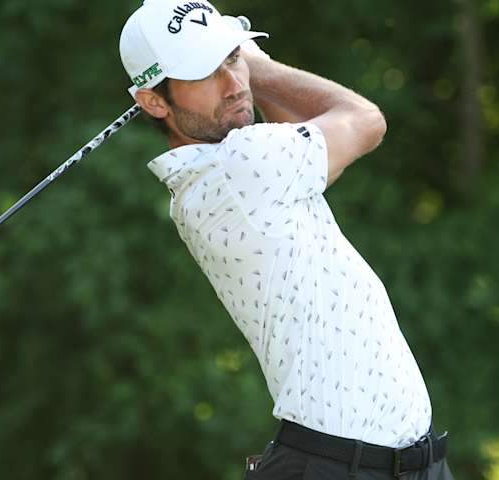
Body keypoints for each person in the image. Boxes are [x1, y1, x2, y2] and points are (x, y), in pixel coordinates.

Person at [119, 1, 454, 478]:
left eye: (232, 61)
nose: (234, 86)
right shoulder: (245, 164)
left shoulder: (225, 173)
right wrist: (261, 65)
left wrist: (237, 61)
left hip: (392, 462)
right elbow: (365, 120)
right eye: (205, 73)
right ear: (154, 101)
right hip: (342, 466)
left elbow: (293, 136)